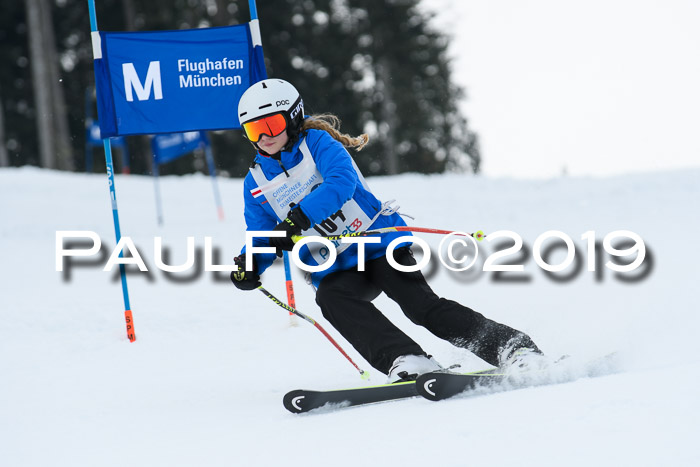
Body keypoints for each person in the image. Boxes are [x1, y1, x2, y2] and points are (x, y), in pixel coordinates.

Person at [231, 78, 541, 382]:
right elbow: (260, 233)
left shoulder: (317, 143)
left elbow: (340, 182)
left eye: (270, 125)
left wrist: (298, 220)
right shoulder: (256, 183)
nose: (264, 137)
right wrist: (250, 264)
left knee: (419, 306)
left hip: (378, 244)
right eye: (253, 130)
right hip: (334, 266)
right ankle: (407, 359)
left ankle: (512, 349)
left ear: (294, 116)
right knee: (332, 299)